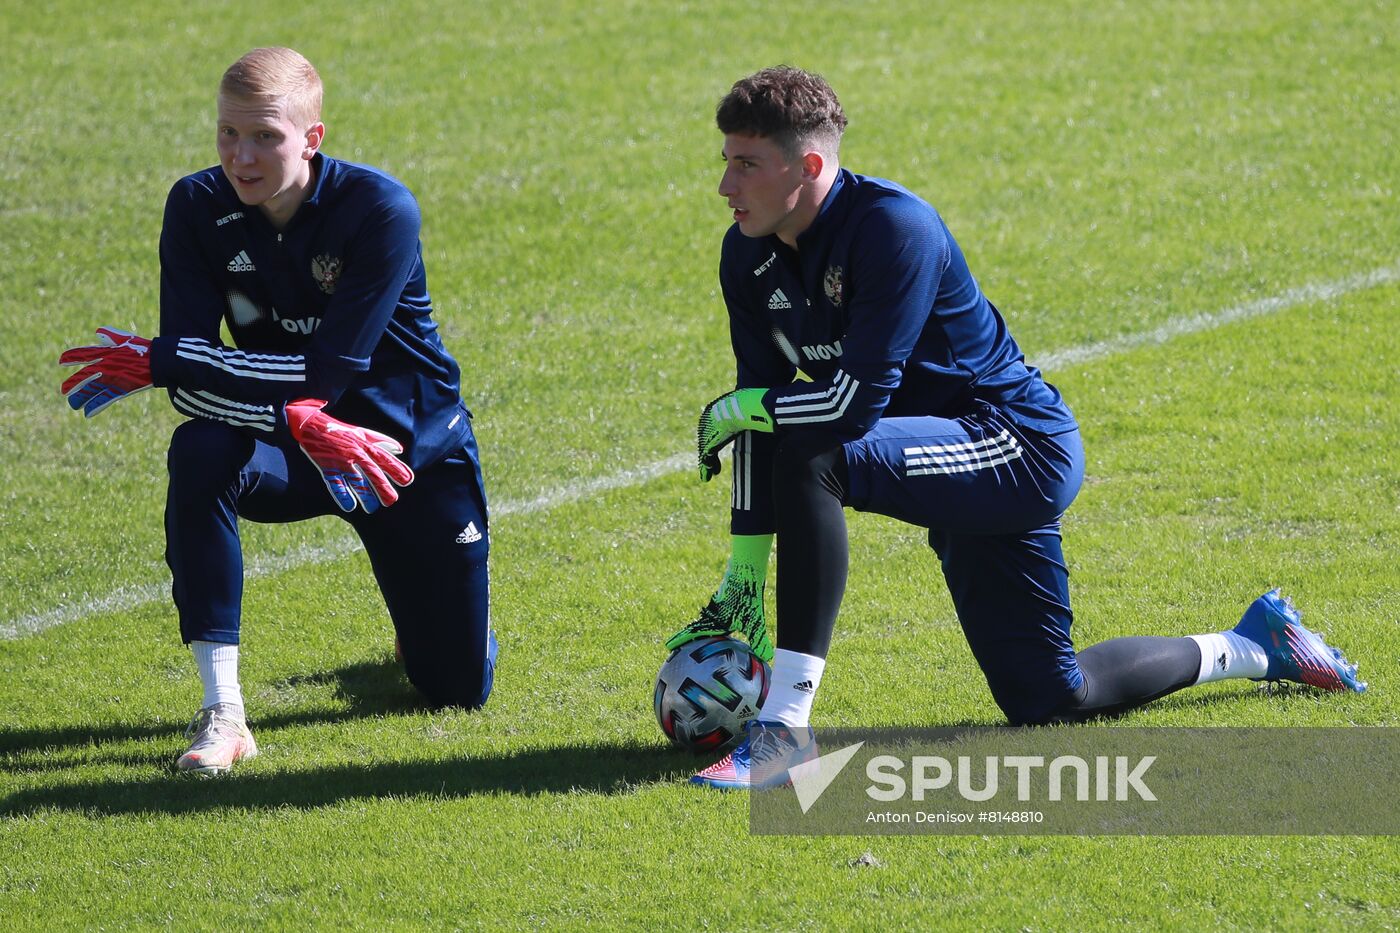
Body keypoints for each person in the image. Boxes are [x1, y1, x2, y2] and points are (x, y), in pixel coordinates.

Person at [666, 66, 1365, 790]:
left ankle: (784, 730)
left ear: (808, 165)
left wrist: (746, 408)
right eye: (726, 162)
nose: (726, 186)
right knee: (1048, 697)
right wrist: (743, 569)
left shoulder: (891, 228)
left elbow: (850, 408)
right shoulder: (745, 256)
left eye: (746, 165)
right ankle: (1256, 644)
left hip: (1016, 445)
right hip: (948, 455)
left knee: (817, 457)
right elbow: (754, 411)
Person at [59, 47, 496, 775]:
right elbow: (194, 385)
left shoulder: (381, 211)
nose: (242, 155)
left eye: (265, 135)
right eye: (229, 133)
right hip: (292, 444)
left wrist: (174, 360)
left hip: (402, 452)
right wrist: (282, 411)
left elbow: (323, 368)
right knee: (200, 450)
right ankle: (224, 711)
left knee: (454, 688)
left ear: (312, 138)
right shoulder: (196, 206)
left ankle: (428, 629)